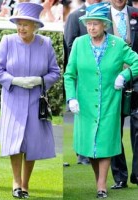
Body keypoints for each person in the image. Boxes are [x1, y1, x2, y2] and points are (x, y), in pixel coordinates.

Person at [64, 2, 138, 198]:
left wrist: (125, 75)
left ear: (105, 25)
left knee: (105, 142)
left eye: (95, 24)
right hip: (85, 103)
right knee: (89, 146)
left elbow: (137, 61)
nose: (91, 27)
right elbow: (69, 74)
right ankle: (100, 180)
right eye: (88, 24)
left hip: (109, 101)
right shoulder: (79, 44)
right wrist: (71, 97)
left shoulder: (117, 44)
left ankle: (102, 185)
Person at [0, 2, 60, 198]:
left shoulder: (44, 44)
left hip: (36, 101)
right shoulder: (7, 41)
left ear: (35, 26)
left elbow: (55, 72)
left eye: (26, 24)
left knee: (31, 143)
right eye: (19, 24)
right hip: (13, 99)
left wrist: (40, 80)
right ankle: (16, 182)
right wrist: (14, 80)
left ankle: (26, 183)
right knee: (16, 143)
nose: (21, 28)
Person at [64, 0, 102, 165]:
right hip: (83, 74)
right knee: (83, 113)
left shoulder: (104, 14)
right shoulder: (74, 16)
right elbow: (70, 43)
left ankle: (97, 151)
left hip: (102, 75)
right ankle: (82, 153)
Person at [108, 0, 138, 190]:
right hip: (112, 83)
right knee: (113, 131)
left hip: (137, 77)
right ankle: (119, 177)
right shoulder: (100, 16)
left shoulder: (136, 14)